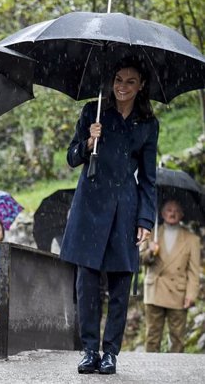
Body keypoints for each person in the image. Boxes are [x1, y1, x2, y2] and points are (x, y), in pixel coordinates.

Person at [60, 58, 158, 375]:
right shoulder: (94, 111)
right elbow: (71, 157)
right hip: (89, 204)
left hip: (125, 209)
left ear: (141, 85)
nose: (122, 86)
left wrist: (145, 220)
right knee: (86, 284)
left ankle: (110, 352)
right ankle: (89, 350)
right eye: (118, 79)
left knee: (120, 283)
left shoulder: (147, 124)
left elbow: (149, 177)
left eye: (130, 81)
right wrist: (90, 141)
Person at [140, 199, 201, 353]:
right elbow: (139, 259)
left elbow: (194, 271)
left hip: (178, 293)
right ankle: (149, 372)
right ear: (162, 213)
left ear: (181, 214)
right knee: (152, 337)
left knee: (178, 338)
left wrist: (191, 294)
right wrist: (150, 252)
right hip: (155, 289)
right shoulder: (151, 233)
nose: (172, 213)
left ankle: (175, 373)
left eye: (176, 210)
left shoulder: (192, 239)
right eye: (168, 210)